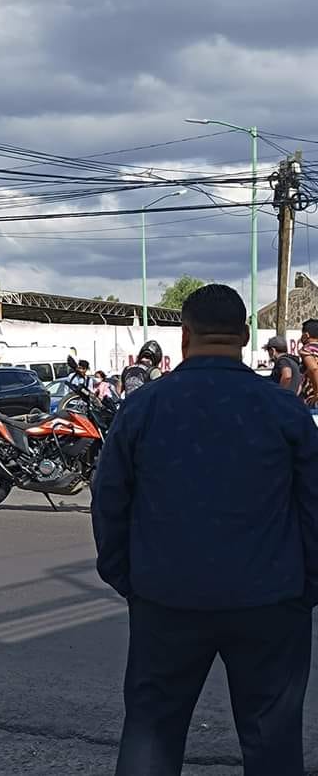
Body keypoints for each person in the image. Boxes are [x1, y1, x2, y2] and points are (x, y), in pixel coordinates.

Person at [92, 284, 318, 776]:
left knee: (152, 732)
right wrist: (306, 591)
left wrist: (130, 581)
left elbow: (109, 503)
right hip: (271, 603)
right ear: (243, 335)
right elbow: (313, 508)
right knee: (272, 742)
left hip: (167, 600)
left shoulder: (143, 408)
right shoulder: (286, 411)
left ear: (184, 335)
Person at [298, 319, 318, 407]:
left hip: (312, 398)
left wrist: (317, 394)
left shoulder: (307, 349)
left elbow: (313, 368)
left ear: (306, 335)